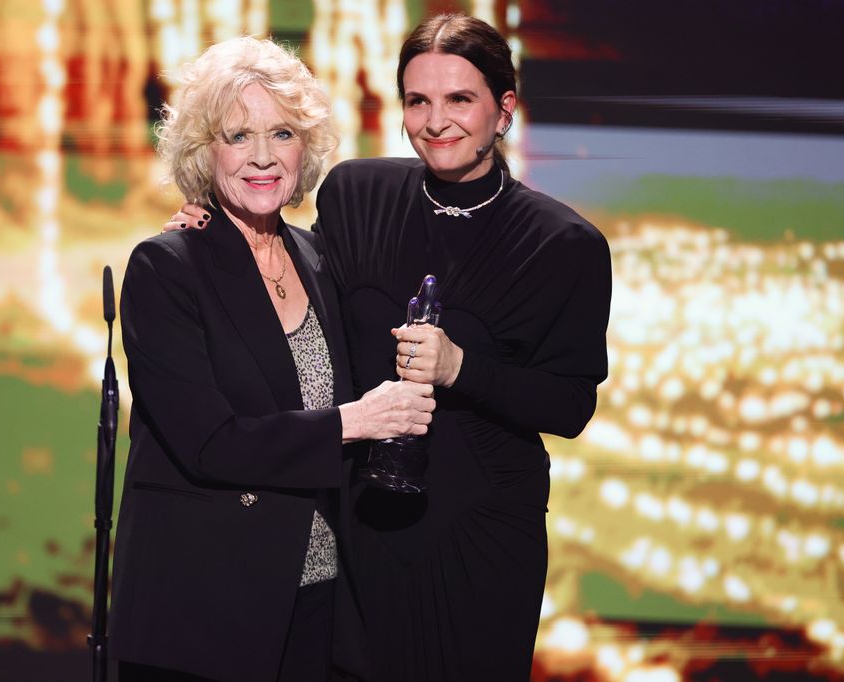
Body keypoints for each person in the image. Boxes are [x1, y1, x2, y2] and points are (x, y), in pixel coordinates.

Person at [167, 14, 611, 681]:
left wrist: (462, 368)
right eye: (418, 100)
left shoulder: (562, 245)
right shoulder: (356, 194)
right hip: (361, 524)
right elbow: (292, 274)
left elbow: (570, 403)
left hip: (480, 533)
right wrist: (212, 231)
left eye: (460, 99)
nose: (436, 121)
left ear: (504, 109)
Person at [110, 37, 436, 682]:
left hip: (315, 598)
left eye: (282, 132)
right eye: (237, 136)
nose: (262, 156)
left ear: (305, 148)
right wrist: (353, 421)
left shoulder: (317, 258)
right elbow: (211, 443)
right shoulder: (168, 267)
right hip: (207, 608)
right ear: (204, 153)